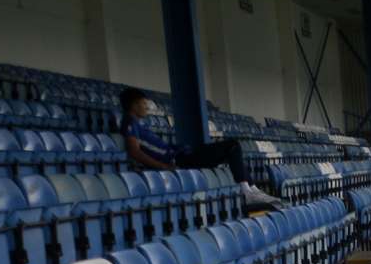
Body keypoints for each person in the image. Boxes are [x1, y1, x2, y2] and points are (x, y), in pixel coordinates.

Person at [120, 87, 281, 208]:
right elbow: (134, 152)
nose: (146, 107)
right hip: (178, 159)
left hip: (182, 154)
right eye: (143, 103)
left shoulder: (138, 123)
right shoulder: (130, 122)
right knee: (232, 146)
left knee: (232, 150)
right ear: (133, 105)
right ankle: (248, 191)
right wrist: (163, 166)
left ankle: (251, 189)